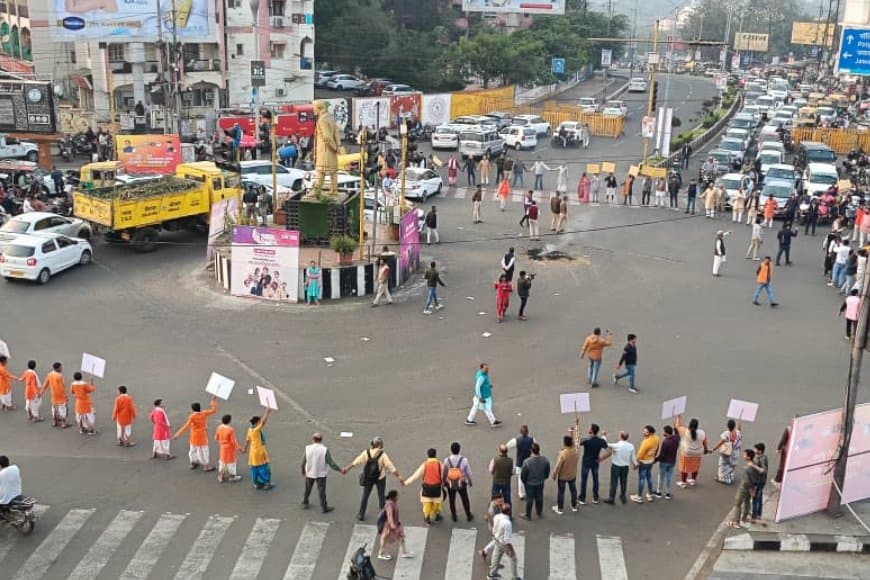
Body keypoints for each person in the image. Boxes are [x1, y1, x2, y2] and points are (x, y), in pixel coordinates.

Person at [343, 436, 404, 521]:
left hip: (368, 478)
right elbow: (391, 467)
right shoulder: (382, 455)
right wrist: (399, 476)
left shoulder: (366, 452)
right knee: (381, 497)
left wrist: (347, 468)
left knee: (365, 496)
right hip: (380, 478)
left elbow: (356, 461)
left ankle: (361, 514)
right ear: (379, 446)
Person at [173, 395, 219, 472]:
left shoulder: (192, 416)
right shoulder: (204, 413)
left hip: (193, 436)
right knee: (203, 451)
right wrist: (213, 400)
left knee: (192, 449)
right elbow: (214, 410)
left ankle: (193, 462)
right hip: (202, 436)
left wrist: (177, 434)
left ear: (192, 409)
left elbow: (186, 426)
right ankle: (206, 466)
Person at [403, 448, 444, 525]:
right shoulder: (439, 464)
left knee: (427, 504)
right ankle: (437, 515)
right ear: (435, 455)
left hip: (426, 488)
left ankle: (427, 518)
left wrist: (406, 482)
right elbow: (444, 475)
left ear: (428, 455)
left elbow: (415, 475)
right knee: (437, 503)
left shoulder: (425, 465)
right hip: (437, 488)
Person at [301, 432, 340, 513]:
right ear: (321, 440)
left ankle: (305, 502)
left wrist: (303, 470)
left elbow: (303, 461)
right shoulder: (324, 450)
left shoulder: (308, 448)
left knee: (308, 488)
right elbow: (331, 463)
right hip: (321, 473)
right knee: (321, 491)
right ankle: (324, 507)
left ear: (313, 439)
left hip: (310, 472)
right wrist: (340, 469)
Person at [241, 407, 273, 490]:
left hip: (252, 452)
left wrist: (244, 449)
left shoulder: (250, 430)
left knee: (254, 467)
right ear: (256, 423)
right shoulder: (256, 430)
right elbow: (263, 422)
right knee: (263, 467)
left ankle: (256, 482)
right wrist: (267, 412)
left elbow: (247, 440)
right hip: (259, 451)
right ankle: (266, 482)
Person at [377, 489, 414, 561]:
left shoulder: (393, 502)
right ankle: (381, 553)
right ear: (394, 497)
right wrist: (393, 525)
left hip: (396, 524)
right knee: (384, 539)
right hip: (389, 526)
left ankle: (404, 552)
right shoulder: (390, 505)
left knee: (401, 537)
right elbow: (390, 516)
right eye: (397, 495)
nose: (398, 496)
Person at [602, 431, 637, 505]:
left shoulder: (616, 445)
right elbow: (633, 457)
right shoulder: (631, 446)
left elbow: (604, 444)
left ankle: (612, 498)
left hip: (616, 466)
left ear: (621, 436)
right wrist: (635, 464)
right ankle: (623, 496)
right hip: (625, 467)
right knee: (623, 482)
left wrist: (604, 436)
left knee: (614, 482)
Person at [443, 442, 474, 522]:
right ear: (459, 450)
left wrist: (444, 481)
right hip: (462, 482)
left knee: (452, 499)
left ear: (451, 450)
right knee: (465, 499)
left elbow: (445, 472)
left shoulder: (447, 460)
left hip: (450, 482)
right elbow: (468, 472)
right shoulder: (464, 460)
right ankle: (468, 514)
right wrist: (470, 481)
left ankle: (454, 516)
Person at [674, 415, 709, 488]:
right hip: (698, 452)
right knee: (695, 466)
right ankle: (693, 480)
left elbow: (677, 426)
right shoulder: (702, 432)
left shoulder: (685, 431)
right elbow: (705, 442)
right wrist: (706, 449)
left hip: (687, 453)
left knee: (684, 467)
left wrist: (678, 417)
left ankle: (683, 482)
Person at [727, 448, 758, 529]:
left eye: (745, 454)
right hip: (750, 488)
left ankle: (736, 522)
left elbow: (747, 481)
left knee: (737, 504)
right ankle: (744, 518)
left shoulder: (747, 468)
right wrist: (753, 489)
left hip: (744, 488)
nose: (743, 455)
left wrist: (751, 489)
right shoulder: (754, 464)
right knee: (747, 502)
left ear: (748, 457)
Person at [488, 503, 520, 580]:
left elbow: (493, 526)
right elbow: (507, 540)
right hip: (503, 543)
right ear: (509, 512)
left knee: (496, 557)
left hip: (496, 539)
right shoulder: (507, 523)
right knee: (513, 559)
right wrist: (511, 550)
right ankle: (515, 577)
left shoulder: (497, 516)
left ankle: (491, 574)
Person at [579, 423, 608, 504]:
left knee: (584, 480)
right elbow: (609, 451)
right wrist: (601, 459)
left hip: (586, 462)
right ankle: (595, 497)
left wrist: (575, 430)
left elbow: (576, 443)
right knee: (595, 480)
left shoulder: (586, 440)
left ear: (591, 430)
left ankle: (582, 498)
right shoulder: (600, 441)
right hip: (595, 462)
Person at [465, 363, 502, 427]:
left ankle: (469, 420)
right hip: (483, 396)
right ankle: (493, 422)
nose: (487, 370)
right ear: (481, 368)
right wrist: (480, 397)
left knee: (475, 407)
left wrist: (488, 386)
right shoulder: (482, 377)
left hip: (479, 396)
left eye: (487, 368)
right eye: (485, 369)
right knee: (487, 409)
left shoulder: (480, 373)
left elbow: (481, 385)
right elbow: (477, 387)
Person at [520, 442, 550, 520]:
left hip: (530, 484)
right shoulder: (545, 460)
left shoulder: (527, 462)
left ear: (531, 450)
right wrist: (544, 478)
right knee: (539, 497)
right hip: (540, 482)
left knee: (529, 499)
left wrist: (525, 482)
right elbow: (547, 471)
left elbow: (523, 475)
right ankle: (539, 512)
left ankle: (528, 515)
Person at [631, 426, 660, 503]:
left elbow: (640, 454)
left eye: (646, 432)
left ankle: (639, 496)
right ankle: (650, 494)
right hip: (651, 461)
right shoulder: (656, 438)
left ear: (650, 433)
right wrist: (654, 457)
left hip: (644, 462)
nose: (643, 433)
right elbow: (657, 448)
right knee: (649, 476)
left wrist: (635, 463)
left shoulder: (646, 442)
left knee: (641, 479)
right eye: (644, 431)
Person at [552, 434, 579, 514]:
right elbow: (574, 445)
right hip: (572, 474)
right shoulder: (575, 451)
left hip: (563, 476)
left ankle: (560, 508)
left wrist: (555, 474)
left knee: (561, 492)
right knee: (573, 490)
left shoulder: (563, 453)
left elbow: (558, 465)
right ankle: (574, 506)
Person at [506, 424, 535, 500]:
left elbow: (507, 446)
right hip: (529, 462)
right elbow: (536, 447)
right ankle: (529, 491)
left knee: (520, 478)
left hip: (520, 462)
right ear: (528, 432)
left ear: (520, 432)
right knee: (529, 477)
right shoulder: (532, 440)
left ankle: (521, 493)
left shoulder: (517, 440)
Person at [711, 419, 743, 485]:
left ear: (728, 427)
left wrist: (713, 449)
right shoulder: (738, 433)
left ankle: (724, 479)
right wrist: (739, 423)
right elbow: (739, 429)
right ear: (734, 426)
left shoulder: (726, 434)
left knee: (723, 466)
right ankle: (730, 477)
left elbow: (720, 443)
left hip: (727, 453)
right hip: (735, 453)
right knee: (731, 466)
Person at [214, 414, 243, 483]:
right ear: (229, 421)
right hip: (229, 449)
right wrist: (240, 448)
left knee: (223, 462)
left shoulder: (219, 427)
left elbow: (216, 438)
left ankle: (221, 476)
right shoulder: (230, 430)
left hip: (222, 448)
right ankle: (232, 476)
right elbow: (233, 442)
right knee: (231, 463)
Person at [479, 493, 505, 563]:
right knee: (498, 541)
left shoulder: (496, 504)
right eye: (499, 502)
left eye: (502, 501)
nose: (502, 503)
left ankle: (484, 551)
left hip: (497, 525)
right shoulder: (492, 509)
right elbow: (491, 521)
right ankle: (487, 553)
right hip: (495, 527)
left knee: (497, 540)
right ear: (495, 501)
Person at [655, 425, 679, 499]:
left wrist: (655, 460)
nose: (663, 433)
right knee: (669, 477)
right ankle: (668, 493)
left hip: (664, 462)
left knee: (661, 477)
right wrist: (675, 427)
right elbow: (677, 434)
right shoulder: (677, 438)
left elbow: (662, 455)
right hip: (672, 461)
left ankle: (659, 492)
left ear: (666, 433)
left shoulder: (665, 442)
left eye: (664, 432)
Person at [42, 362, 69, 429]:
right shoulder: (59, 376)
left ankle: (55, 422)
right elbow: (62, 387)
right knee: (62, 410)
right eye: (60, 367)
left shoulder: (49, 374)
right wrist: (65, 395)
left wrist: (41, 391)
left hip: (53, 395)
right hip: (60, 396)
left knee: (54, 409)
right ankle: (63, 423)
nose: (61, 368)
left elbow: (46, 383)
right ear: (57, 368)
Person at [749, 443, 768, 522]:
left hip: (759, 481)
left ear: (760, 451)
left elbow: (763, 470)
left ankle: (754, 516)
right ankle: (758, 514)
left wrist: (753, 466)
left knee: (755, 499)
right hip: (761, 481)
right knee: (759, 498)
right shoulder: (762, 457)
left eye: (755, 449)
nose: (754, 450)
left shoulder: (762, 459)